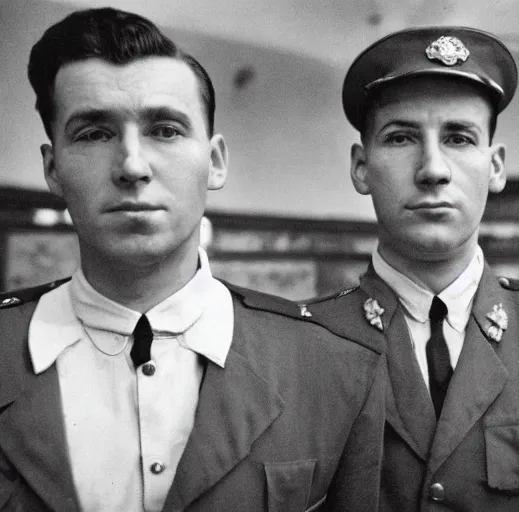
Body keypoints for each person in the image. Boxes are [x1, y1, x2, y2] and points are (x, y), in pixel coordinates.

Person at [0, 8, 384, 511]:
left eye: (165, 130)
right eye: (94, 133)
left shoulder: (334, 368)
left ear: (216, 161)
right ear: (53, 168)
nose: (133, 166)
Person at [302, 27, 519, 511]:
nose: (433, 168)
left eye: (458, 137)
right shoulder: (299, 346)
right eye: (402, 137)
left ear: (495, 167)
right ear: (362, 167)